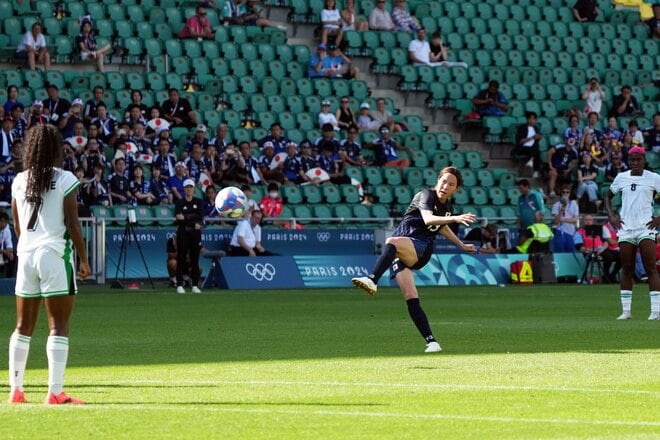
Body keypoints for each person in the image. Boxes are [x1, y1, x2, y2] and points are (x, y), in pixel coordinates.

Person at [7, 124, 91, 405]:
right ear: (56, 149)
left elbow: (18, 225)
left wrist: (29, 245)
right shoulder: (65, 179)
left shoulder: (19, 180)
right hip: (54, 254)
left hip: (26, 254)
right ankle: (55, 392)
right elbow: (73, 223)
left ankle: (16, 391)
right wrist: (83, 259)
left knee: (22, 326)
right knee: (58, 326)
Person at [351, 167, 476, 353]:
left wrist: (461, 244)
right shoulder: (426, 195)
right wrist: (456, 224)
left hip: (420, 249)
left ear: (456, 190)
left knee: (391, 241)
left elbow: (440, 227)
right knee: (411, 296)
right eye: (444, 181)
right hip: (402, 249)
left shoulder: (447, 209)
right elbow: (429, 219)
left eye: (452, 184)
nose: (446, 186)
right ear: (438, 180)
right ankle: (432, 341)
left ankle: (372, 280)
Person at [605, 146, 660, 320]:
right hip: (626, 228)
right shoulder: (621, 177)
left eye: (639, 160)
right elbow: (607, 196)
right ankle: (626, 312)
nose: (635, 163)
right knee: (627, 269)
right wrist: (612, 216)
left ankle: (656, 311)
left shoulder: (654, 178)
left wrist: (659, 218)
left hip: (646, 227)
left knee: (650, 268)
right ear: (629, 162)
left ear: (644, 160)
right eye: (632, 160)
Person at [174, 179, 204, 294]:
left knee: (194, 259)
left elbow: (200, 217)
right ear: (184, 189)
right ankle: (179, 284)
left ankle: (195, 285)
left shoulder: (199, 201)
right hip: (183, 233)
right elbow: (179, 219)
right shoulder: (180, 202)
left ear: (194, 189)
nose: (189, 189)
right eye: (187, 187)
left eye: (191, 187)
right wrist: (191, 220)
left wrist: (186, 217)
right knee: (181, 258)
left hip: (195, 234)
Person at [514, 111, 543, 178]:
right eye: (531, 119)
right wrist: (532, 137)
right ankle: (534, 166)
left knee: (536, 149)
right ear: (527, 119)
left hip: (533, 148)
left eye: (534, 119)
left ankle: (533, 164)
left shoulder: (536, 128)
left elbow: (537, 139)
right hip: (523, 147)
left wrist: (539, 137)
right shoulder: (521, 128)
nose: (533, 121)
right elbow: (521, 141)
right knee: (536, 151)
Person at [551, 186, 579, 252]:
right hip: (560, 231)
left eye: (567, 192)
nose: (565, 193)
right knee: (560, 253)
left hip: (571, 232)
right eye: (563, 192)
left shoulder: (574, 204)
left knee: (570, 254)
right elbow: (556, 221)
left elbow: (575, 220)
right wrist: (561, 210)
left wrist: (562, 220)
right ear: (561, 193)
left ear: (570, 193)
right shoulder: (556, 205)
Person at [0, 211, 16, 276]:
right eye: (2, 221)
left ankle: (9, 277)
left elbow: (9, 244)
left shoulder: (7, 230)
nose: (4, 224)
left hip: (2, 252)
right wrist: (6, 252)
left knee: (13, 255)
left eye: (6, 222)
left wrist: (10, 252)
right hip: (2, 251)